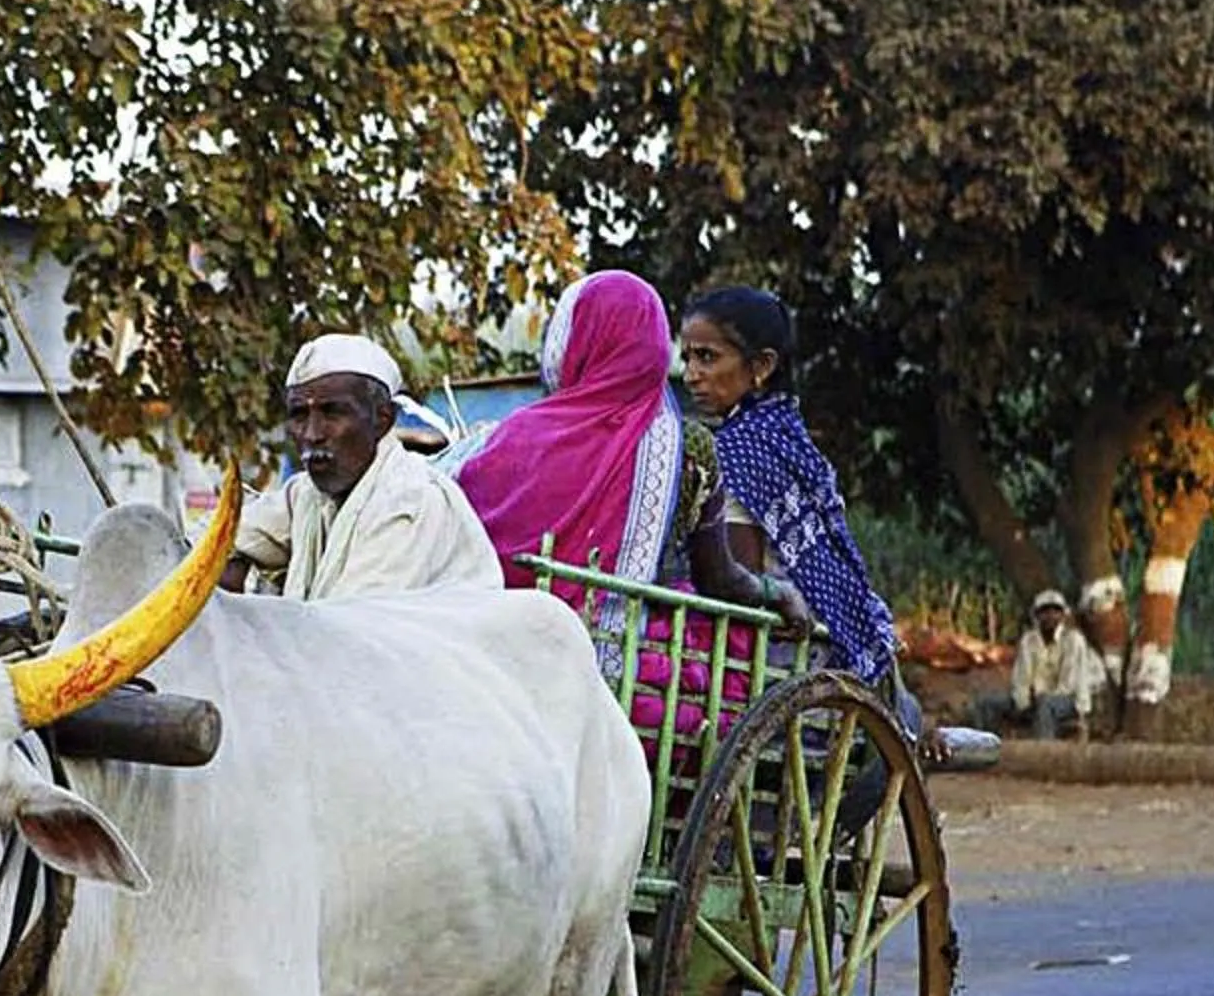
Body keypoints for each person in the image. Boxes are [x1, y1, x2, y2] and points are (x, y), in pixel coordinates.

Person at [451, 269, 799, 652]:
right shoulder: (687, 450)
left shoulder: (511, 435)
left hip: (481, 643)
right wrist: (776, 592)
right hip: (620, 663)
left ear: (577, 342)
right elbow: (719, 580)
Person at [676, 285, 940, 754]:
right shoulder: (788, 437)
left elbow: (738, 582)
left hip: (780, 657)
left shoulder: (734, 451)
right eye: (687, 357)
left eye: (707, 358)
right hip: (841, 645)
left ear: (761, 367)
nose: (691, 374)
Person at [220, 333, 500, 600]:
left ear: (382, 420)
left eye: (332, 412)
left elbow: (345, 634)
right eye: (299, 415)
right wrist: (228, 564)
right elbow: (214, 538)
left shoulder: (408, 500)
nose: (311, 433)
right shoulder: (307, 494)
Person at [993, 588, 1102, 740]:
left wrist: (1039, 698)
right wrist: (1022, 702)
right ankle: (985, 749)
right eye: (1045, 611)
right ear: (1037, 615)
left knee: (1046, 705)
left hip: (1069, 702)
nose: (1050, 616)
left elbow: (1068, 685)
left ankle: (1043, 752)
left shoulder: (1073, 640)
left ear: (1063, 615)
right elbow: (1021, 677)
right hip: (1034, 700)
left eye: (1055, 611)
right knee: (986, 703)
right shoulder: (1029, 640)